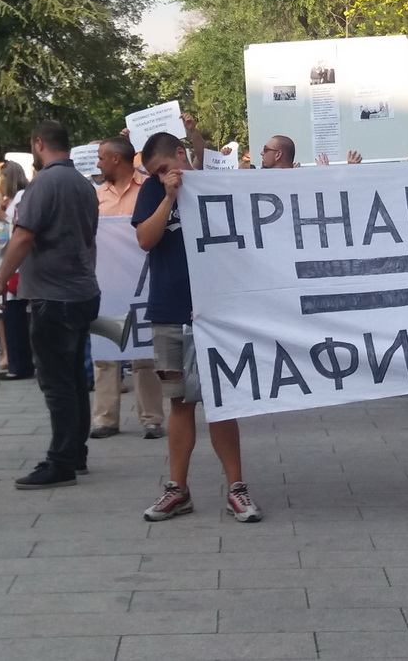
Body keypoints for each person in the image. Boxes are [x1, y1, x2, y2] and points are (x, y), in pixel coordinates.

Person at [132, 131, 261, 523]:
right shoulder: (154, 191)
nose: (160, 176)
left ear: (180, 153)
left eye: (163, 168)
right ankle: (178, 489)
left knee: (221, 401)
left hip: (216, 313)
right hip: (170, 310)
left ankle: (236, 487)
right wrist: (168, 197)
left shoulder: (215, 184)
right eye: (154, 173)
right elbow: (145, 239)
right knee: (179, 401)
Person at [0, 121, 100, 489]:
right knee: (74, 378)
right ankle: (76, 453)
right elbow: (91, 242)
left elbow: (23, 237)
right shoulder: (85, 185)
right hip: (81, 291)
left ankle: (61, 462)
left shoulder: (43, 184)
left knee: (56, 382)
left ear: (39, 144)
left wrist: (0, 280)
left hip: (52, 297)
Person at [90, 135, 165, 439]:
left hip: (142, 282)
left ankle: (152, 419)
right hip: (106, 284)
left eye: (101, 158)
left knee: (144, 354)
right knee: (105, 352)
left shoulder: (149, 190)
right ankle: (105, 419)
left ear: (116, 159)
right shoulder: (95, 197)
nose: (97, 164)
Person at [0, 160, 33, 381]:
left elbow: (21, 228)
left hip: (17, 266)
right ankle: (17, 362)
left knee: (16, 317)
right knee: (11, 317)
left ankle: (20, 365)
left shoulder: (23, 197)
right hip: (5, 261)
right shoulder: (5, 202)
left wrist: (4, 218)